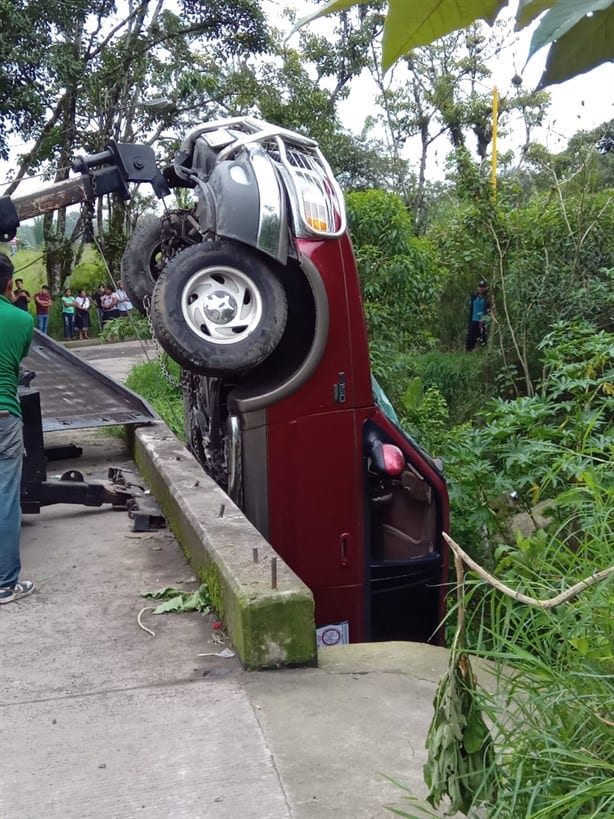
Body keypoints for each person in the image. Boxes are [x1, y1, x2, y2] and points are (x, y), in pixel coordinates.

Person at [0, 252, 35, 604]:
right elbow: (18, 358)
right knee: (6, 498)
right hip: (4, 418)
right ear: (10, 284)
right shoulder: (21, 320)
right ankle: (5, 584)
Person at [466, 279, 493, 351]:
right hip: (473, 320)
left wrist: (486, 321)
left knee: (482, 337)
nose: (481, 289)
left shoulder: (487, 298)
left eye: (483, 287)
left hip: (483, 320)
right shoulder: (474, 297)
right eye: (480, 287)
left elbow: (489, 310)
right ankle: (469, 351)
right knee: (470, 337)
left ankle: (481, 351)